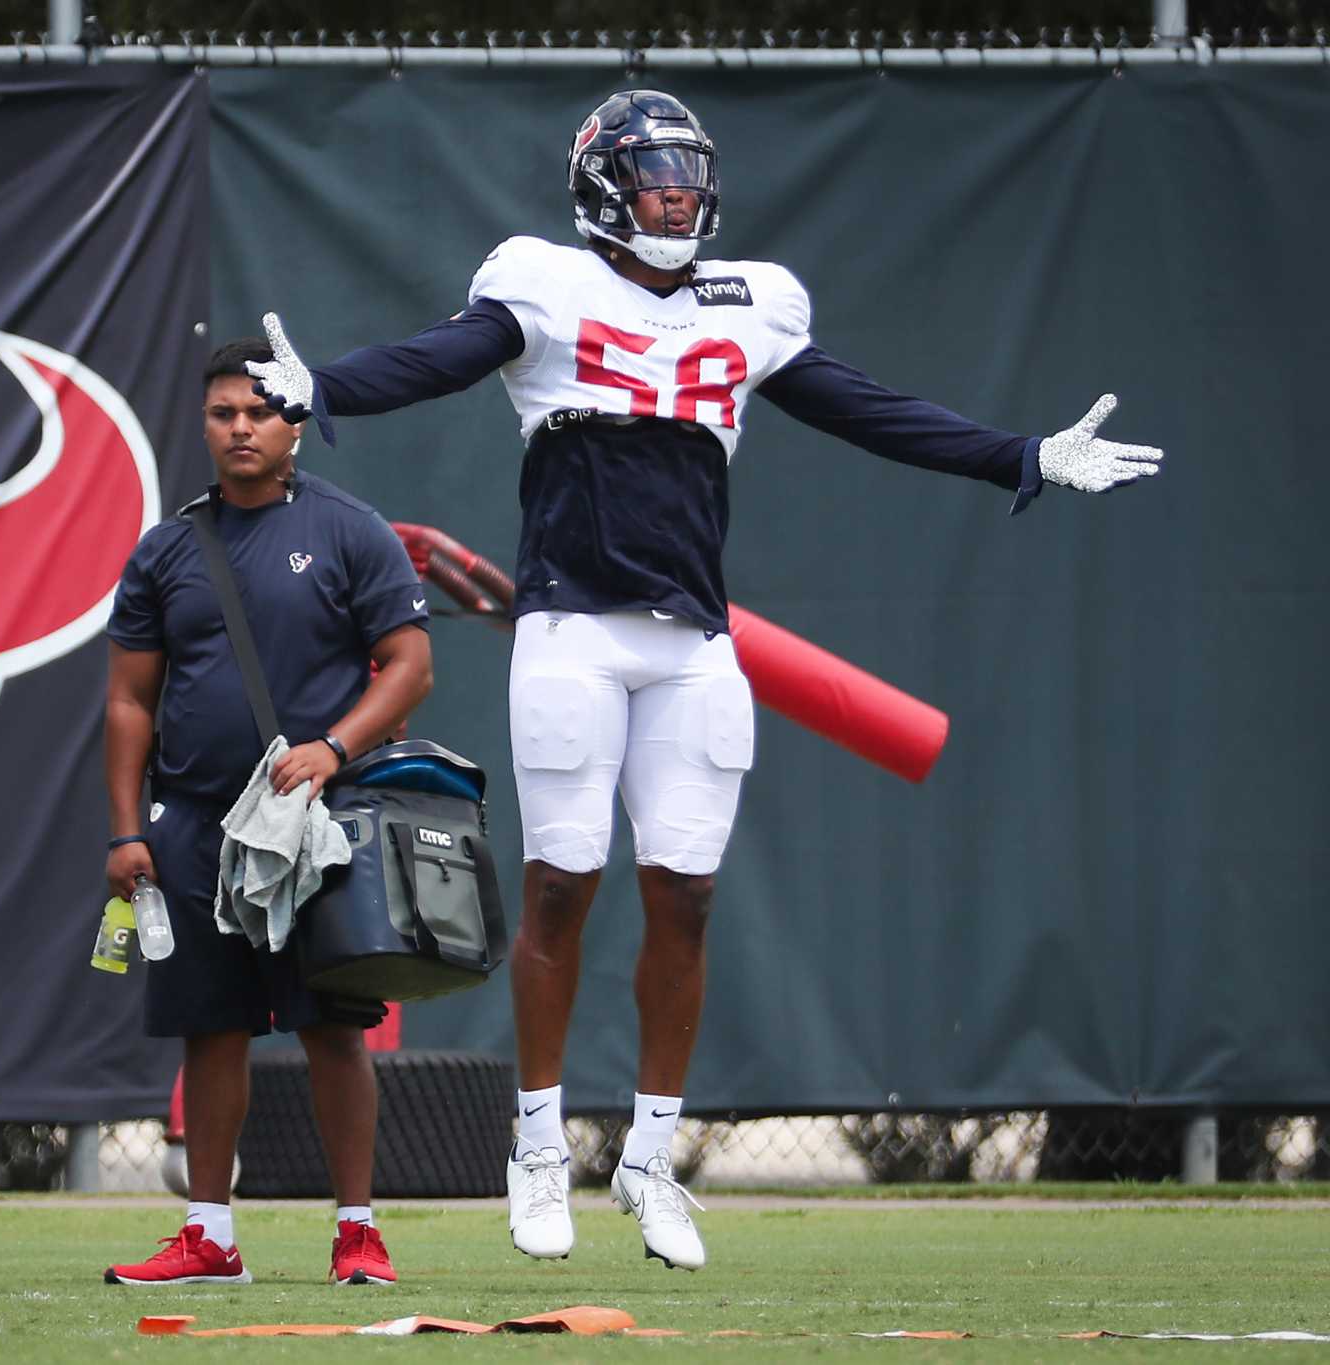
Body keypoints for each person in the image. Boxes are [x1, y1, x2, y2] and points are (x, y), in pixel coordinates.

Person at [245, 89, 1163, 1272]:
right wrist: (325, 386)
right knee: (559, 889)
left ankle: (648, 1156)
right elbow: (441, 356)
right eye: (653, 175)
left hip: (692, 643)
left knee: (685, 896)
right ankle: (535, 1148)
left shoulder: (754, 301)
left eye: (687, 174)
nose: (676, 193)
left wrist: (1020, 458)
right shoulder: (541, 282)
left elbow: (863, 410)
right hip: (571, 630)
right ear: (600, 192)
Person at [100, 339, 434, 1287]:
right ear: (204, 425)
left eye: (260, 410)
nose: (241, 427)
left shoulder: (349, 528)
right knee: (213, 1025)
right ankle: (211, 1236)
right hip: (195, 822)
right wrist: (129, 830)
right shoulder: (168, 545)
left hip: (317, 821)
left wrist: (332, 747)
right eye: (222, 413)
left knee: (334, 1025)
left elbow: (411, 665)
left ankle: (358, 1234)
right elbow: (129, 700)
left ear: (296, 421)